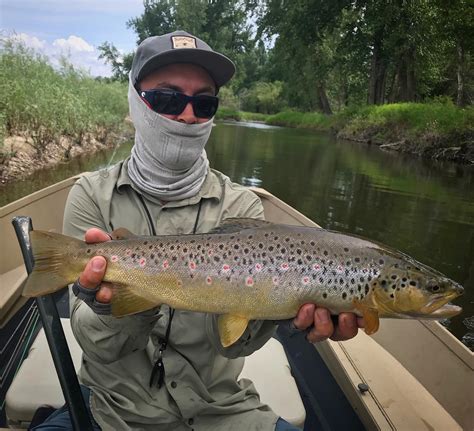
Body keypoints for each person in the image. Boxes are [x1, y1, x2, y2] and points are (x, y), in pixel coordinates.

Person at [35, 30, 363, 431]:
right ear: (134, 104)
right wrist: (111, 305)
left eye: (203, 102)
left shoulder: (242, 207)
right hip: (113, 411)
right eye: (167, 99)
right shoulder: (90, 196)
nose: (187, 115)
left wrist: (281, 304)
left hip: (221, 412)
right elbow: (98, 348)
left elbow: (235, 342)